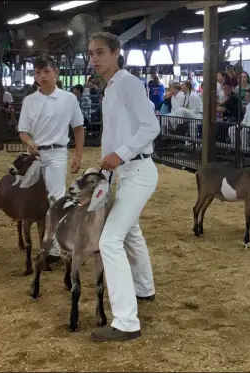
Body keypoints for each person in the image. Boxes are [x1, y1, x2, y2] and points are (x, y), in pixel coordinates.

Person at [87, 31, 160, 342]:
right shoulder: (110, 89)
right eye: (91, 53)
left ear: (116, 52)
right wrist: (108, 163)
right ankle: (144, 287)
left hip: (139, 169)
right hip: (125, 171)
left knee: (109, 240)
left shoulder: (128, 83)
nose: (94, 58)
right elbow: (115, 134)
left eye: (100, 52)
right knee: (130, 231)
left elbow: (152, 126)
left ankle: (126, 322)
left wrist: (122, 153)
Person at [18, 55, 85, 264]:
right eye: (38, 73)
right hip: (35, 155)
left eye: (46, 71)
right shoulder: (30, 100)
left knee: (55, 198)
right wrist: (29, 143)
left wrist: (78, 154)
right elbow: (23, 131)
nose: (42, 76)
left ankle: (54, 249)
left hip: (57, 153)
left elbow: (78, 128)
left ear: (56, 72)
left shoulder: (68, 98)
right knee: (34, 198)